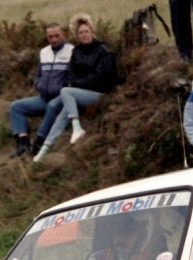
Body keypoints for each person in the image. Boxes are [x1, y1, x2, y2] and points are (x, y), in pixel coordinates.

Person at [33, 14, 118, 163]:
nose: (83, 35)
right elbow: (71, 75)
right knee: (63, 114)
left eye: (86, 31)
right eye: (80, 33)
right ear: (77, 35)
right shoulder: (76, 52)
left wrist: (77, 84)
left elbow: (100, 76)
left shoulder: (103, 50)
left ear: (92, 32)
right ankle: (43, 151)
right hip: (79, 93)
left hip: (100, 93)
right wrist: (75, 84)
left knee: (65, 91)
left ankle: (77, 127)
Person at [8, 23, 74, 158]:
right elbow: (38, 74)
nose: (54, 39)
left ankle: (38, 143)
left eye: (57, 36)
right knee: (16, 107)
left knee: (51, 106)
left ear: (63, 34)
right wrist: (39, 84)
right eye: (50, 37)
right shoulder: (44, 52)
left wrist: (61, 88)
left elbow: (74, 77)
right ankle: (23, 144)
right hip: (44, 97)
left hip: (62, 99)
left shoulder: (72, 51)